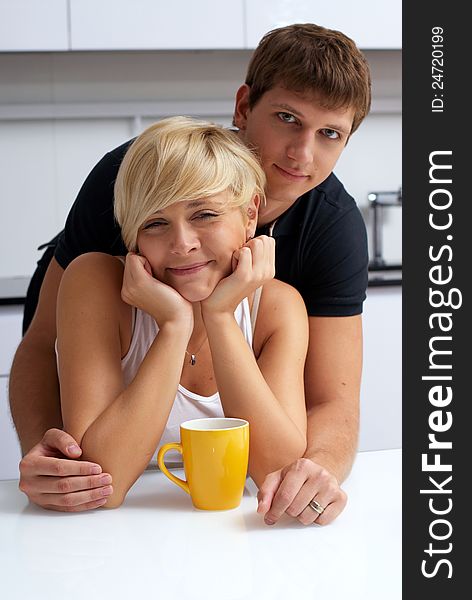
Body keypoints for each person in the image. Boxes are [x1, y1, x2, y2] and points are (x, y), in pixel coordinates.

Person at [11, 23, 371, 525]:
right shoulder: (138, 176)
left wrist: (314, 473)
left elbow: (333, 401)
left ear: (249, 217)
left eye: (330, 133)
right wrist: (54, 461)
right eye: (287, 119)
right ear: (244, 107)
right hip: (108, 402)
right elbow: (39, 345)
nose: (301, 154)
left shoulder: (328, 232)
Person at [54, 116, 308, 509]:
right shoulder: (94, 284)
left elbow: (279, 474)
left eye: (204, 215)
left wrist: (221, 317)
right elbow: (101, 481)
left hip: (230, 534)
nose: (182, 243)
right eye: (155, 223)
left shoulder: (277, 308)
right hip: (112, 539)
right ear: (132, 237)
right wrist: (174, 325)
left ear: (251, 213)